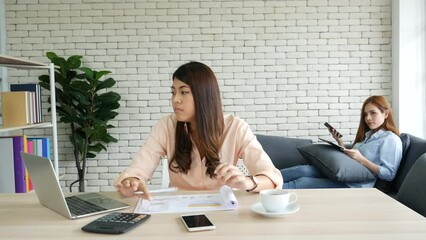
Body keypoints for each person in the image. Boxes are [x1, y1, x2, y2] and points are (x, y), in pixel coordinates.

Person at [115, 61, 283, 200]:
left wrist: (247, 182)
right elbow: (137, 170)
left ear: (203, 95)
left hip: (222, 210)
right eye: (173, 92)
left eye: (184, 92)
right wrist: (132, 180)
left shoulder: (236, 127)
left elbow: (272, 177)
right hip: (178, 210)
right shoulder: (166, 126)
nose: (176, 100)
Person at [280, 95, 403, 189]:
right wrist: (340, 142)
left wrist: (362, 159)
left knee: (302, 182)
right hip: (344, 174)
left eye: (373, 113)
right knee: (302, 170)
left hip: (354, 184)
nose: (368, 118)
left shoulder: (391, 140)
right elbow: (350, 162)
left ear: (386, 113)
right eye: (365, 114)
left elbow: (389, 174)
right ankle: (263, 178)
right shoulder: (369, 136)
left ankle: (263, 190)